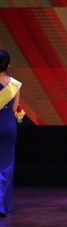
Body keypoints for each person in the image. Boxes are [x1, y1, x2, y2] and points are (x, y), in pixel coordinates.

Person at [0, 50, 25, 217]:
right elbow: (15, 109)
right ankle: (2, 205)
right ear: (8, 65)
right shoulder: (15, 85)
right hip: (7, 125)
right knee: (6, 164)